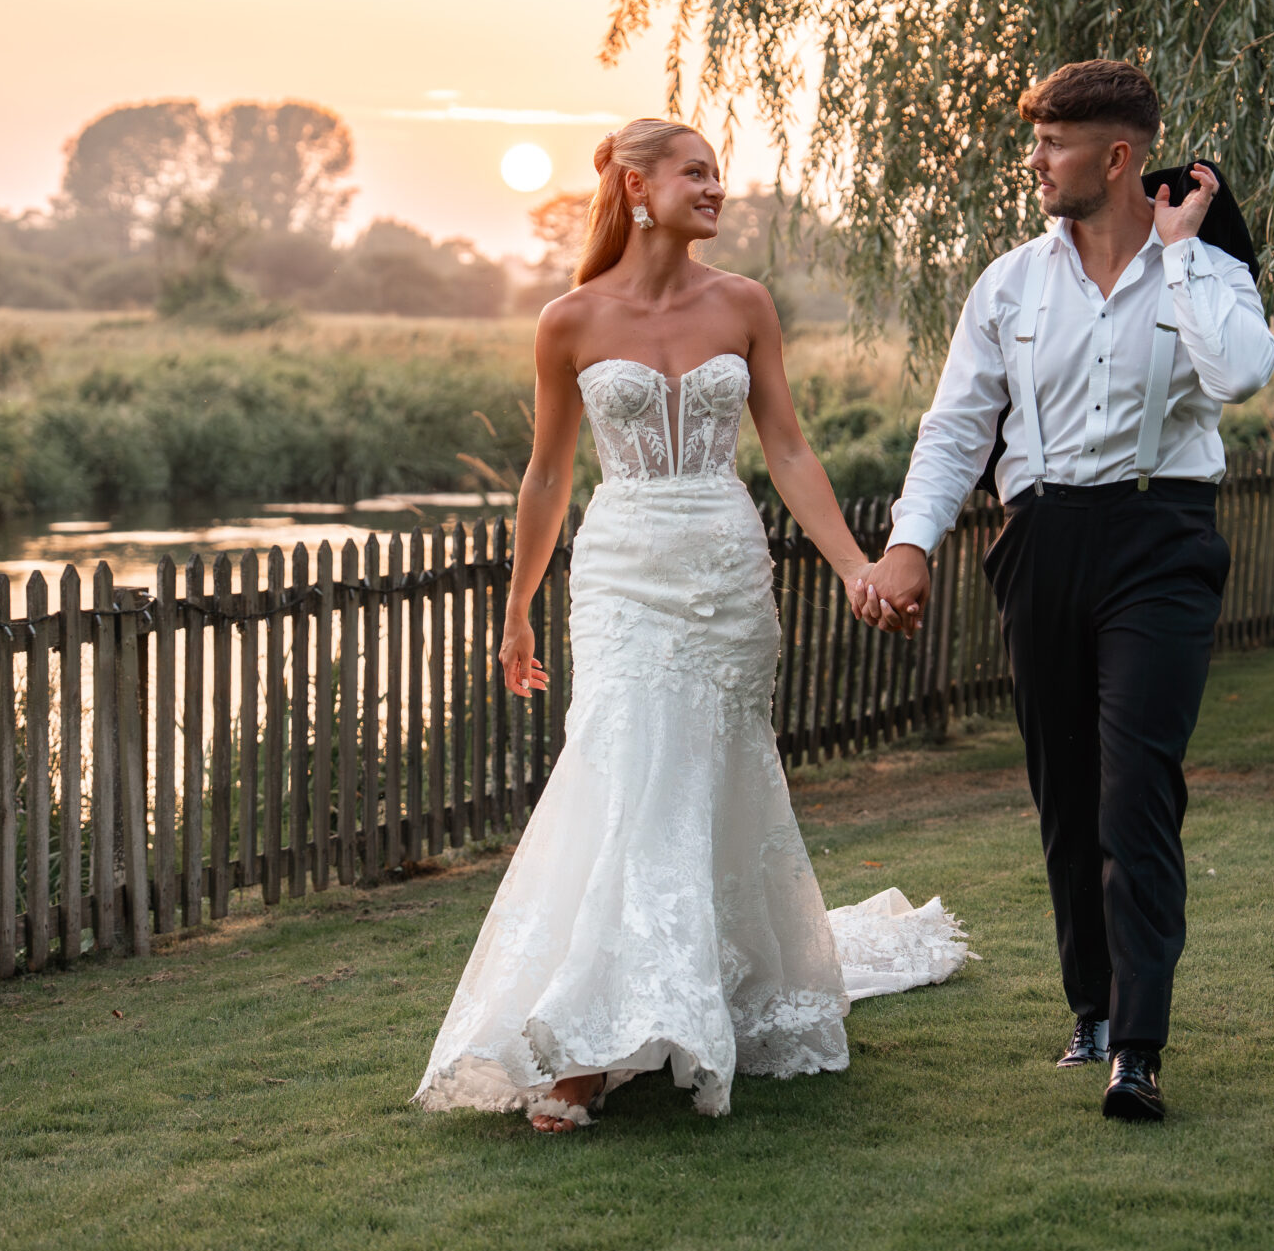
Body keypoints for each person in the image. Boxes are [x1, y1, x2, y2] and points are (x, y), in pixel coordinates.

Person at [414, 118, 971, 1133]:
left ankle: (678, 996)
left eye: (719, 174)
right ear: (636, 187)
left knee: (707, 779)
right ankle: (586, 1044)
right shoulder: (569, 320)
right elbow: (545, 474)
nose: (716, 189)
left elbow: (791, 453)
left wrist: (852, 565)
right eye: (696, 174)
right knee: (628, 772)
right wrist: (516, 609)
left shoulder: (744, 305)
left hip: (722, 567)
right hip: (624, 572)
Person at [848, 61, 1274, 1122]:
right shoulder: (1008, 283)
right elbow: (955, 428)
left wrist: (1177, 257)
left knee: (1137, 791)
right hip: (1039, 541)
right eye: (1034, 140)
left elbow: (1238, 377)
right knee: (1065, 793)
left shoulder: (1209, 270)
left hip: (1160, 536)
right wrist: (910, 544)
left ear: (1117, 157)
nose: (1032, 160)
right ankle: (1089, 1009)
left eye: (1051, 142)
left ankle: (1137, 1044)